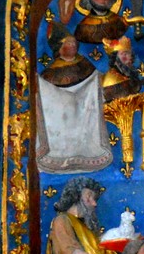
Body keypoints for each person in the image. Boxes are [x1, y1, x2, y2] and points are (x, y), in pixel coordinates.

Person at [36, 23, 111, 173]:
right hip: (60, 121)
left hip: (84, 118)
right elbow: (46, 93)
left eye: (74, 43)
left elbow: (95, 83)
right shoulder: (49, 74)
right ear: (59, 47)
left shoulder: (86, 66)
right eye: (68, 43)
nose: (73, 46)